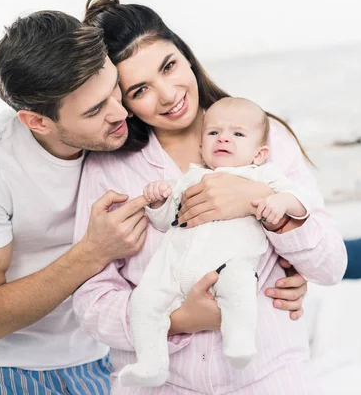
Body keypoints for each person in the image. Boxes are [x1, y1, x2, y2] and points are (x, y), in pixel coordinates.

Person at [73, 0, 348, 393]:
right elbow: (91, 299)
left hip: (269, 378)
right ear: (122, 103)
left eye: (169, 66)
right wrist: (179, 318)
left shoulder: (264, 137)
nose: (167, 94)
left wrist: (259, 202)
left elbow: (331, 266)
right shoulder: (108, 170)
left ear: (185, 55)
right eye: (140, 89)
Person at [0, 10, 150, 394]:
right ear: (37, 122)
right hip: (8, 367)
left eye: (114, 89)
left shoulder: (125, 124)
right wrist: (93, 252)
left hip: (107, 356)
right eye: (94, 110)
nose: (120, 113)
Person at [122, 97, 315, 387]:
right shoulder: (190, 178)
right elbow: (164, 222)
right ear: (201, 147)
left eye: (237, 134)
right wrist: (158, 201)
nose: (223, 137)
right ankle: (151, 364)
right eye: (213, 133)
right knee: (143, 301)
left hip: (228, 265)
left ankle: (239, 342)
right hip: (175, 269)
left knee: (239, 286)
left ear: (260, 153)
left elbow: (303, 203)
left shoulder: (261, 175)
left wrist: (279, 201)